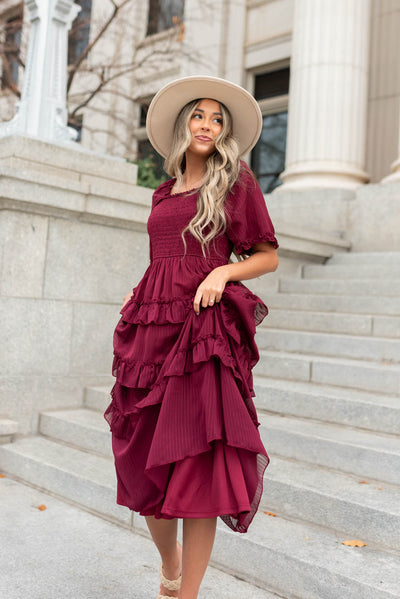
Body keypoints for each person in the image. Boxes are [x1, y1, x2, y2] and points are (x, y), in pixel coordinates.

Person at [104, 75, 279, 599]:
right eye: (199, 115)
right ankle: (170, 563)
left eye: (218, 118)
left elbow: (268, 254)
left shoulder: (236, 182)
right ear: (184, 125)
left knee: (201, 464)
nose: (208, 124)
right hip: (150, 328)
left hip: (203, 330)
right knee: (140, 460)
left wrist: (222, 273)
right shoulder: (163, 190)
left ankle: (188, 594)